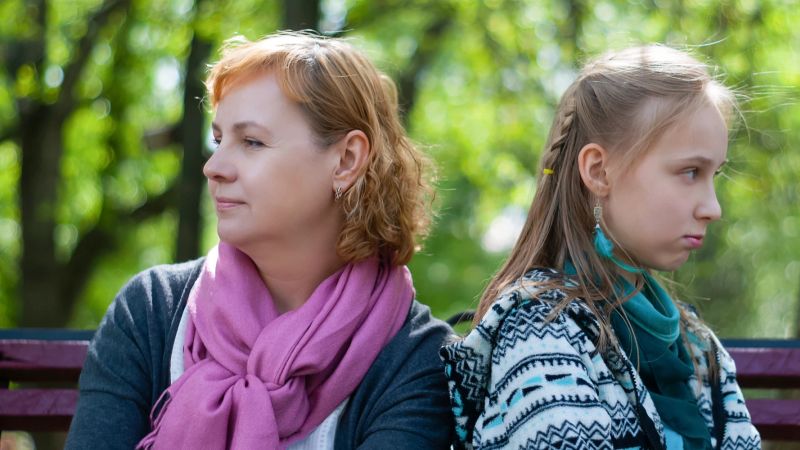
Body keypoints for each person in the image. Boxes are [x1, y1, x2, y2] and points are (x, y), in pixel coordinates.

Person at [66, 31, 453, 450]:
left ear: (346, 160)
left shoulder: (414, 359)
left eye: (251, 142)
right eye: (219, 140)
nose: (214, 167)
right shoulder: (151, 312)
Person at [440, 45, 761, 449]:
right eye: (690, 172)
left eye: (714, 175)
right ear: (598, 171)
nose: (712, 208)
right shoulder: (541, 332)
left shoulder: (697, 347)